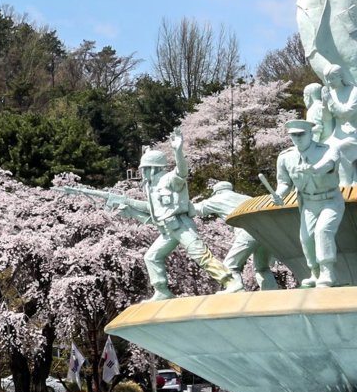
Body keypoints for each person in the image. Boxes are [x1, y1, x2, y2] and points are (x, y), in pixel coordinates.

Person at [110, 129, 241, 300]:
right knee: (151, 257)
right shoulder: (150, 187)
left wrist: (178, 151)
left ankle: (231, 282)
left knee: (200, 254)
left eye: (145, 169)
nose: (142, 173)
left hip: (181, 225)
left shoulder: (169, 179)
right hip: (167, 230)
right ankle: (162, 290)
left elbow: (182, 172)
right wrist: (129, 208)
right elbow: (153, 210)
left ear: (152, 168)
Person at [271, 119, 345, 287]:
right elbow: (284, 183)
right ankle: (315, 273)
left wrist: (315, 169)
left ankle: (328, 272)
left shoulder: (328, 149)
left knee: (323, 231)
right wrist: (278, 194)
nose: (297, 138)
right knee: (306, 238)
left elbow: (329, 164)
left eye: (301, 134)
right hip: (308, 203)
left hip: (330, 200)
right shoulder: (285, 157)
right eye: (293, 135)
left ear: (311, 133)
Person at [194, 181, 279, 291]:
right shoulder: (247, 198)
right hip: (266, 232)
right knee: (262, 267)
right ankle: (271, 292)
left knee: (229, 266)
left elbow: (198, 209)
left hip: (247, 231)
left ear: (216, 192)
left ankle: (237, 290)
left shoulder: (218, 198)